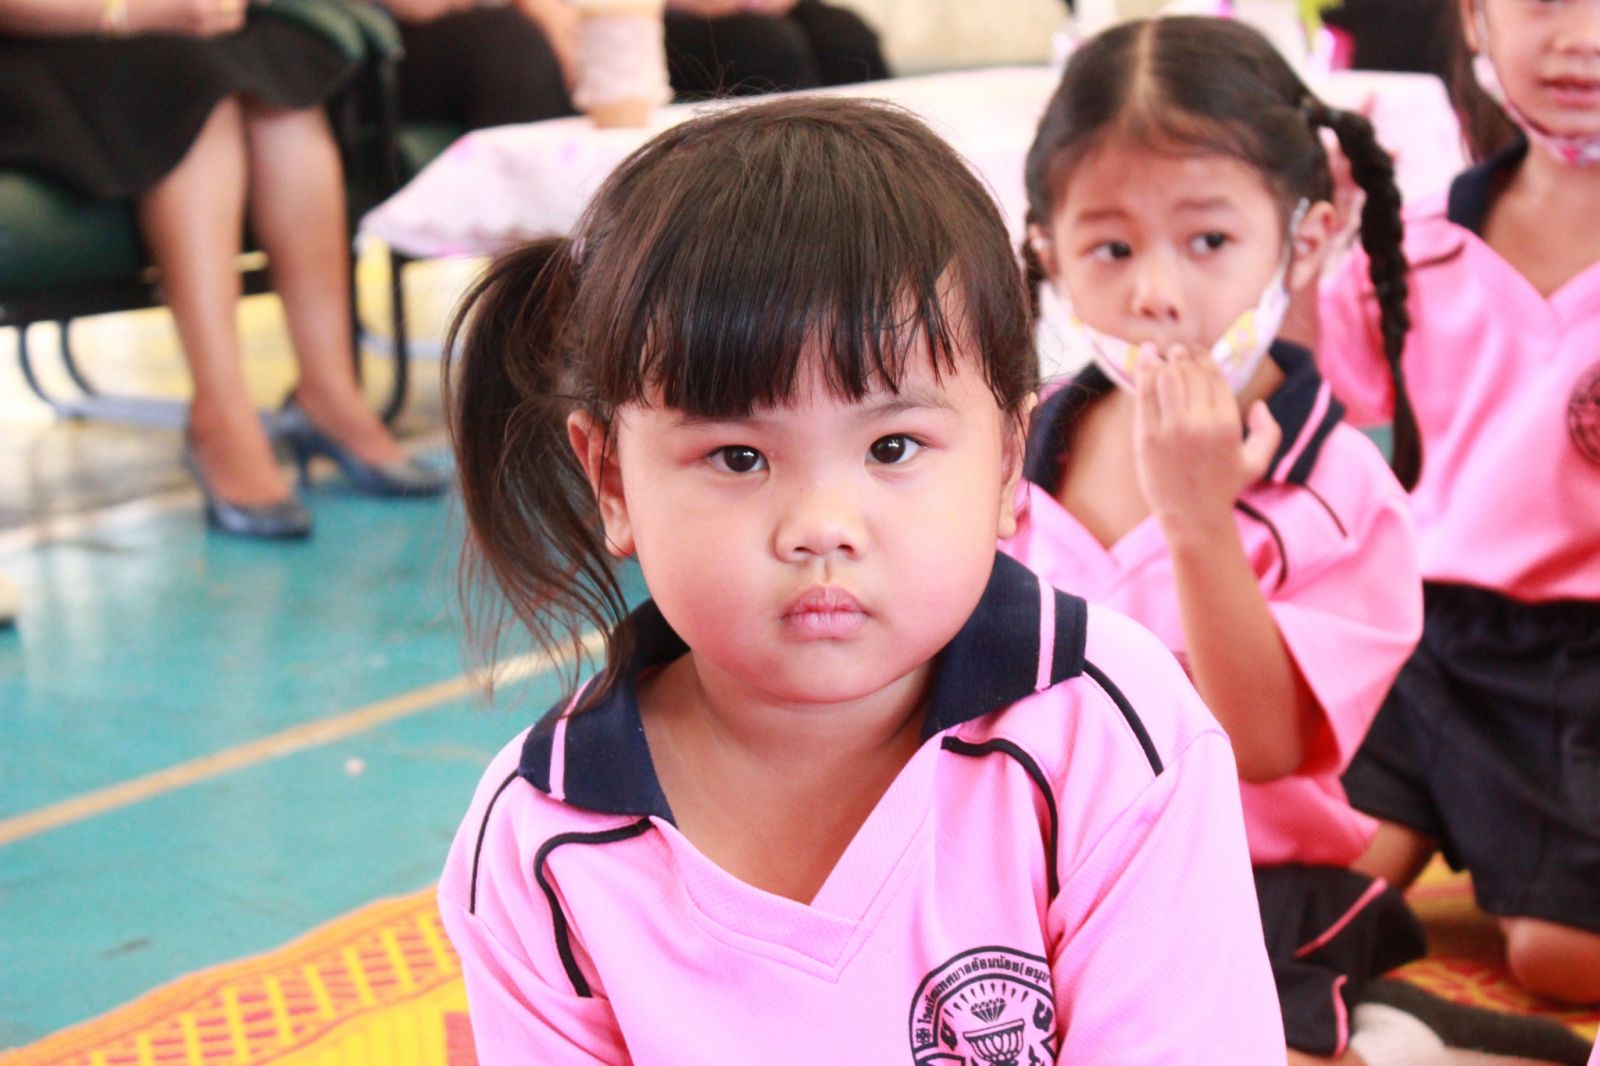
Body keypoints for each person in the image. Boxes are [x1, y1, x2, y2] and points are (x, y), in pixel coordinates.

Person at [436, 95, 1285, 1063]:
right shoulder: (542, 842)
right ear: (613, 481)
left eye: (892, 446)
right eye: (738, 457)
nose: (821, 528)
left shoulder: (1109, 734)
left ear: (1008, 461)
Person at [1008, 16, 1593, 1066]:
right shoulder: (1006, 450)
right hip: (1026, 866)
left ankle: (1393, 1033)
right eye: (1110, 248)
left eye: (1209, 242)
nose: (1156, 293)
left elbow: (1266, 747)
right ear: (1049, 252)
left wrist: (1197, 521)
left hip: (1237, 878)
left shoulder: (1339, 493)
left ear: (1305, 238)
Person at [1319, 0, 1600, 1010]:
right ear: (1477, 19)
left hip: (1584, 664)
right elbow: (1318, 413)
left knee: (1556, 958)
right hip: (1426, 640)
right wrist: (1304, 249)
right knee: (1312, 906)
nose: (1582, 36)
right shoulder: (1412, 244)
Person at [0, 0, 447, 539]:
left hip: (170, 36)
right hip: (51, 46)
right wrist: (131, 14)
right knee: (193, 91)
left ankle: (329, 391)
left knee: (283, 91)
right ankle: (220, 414)